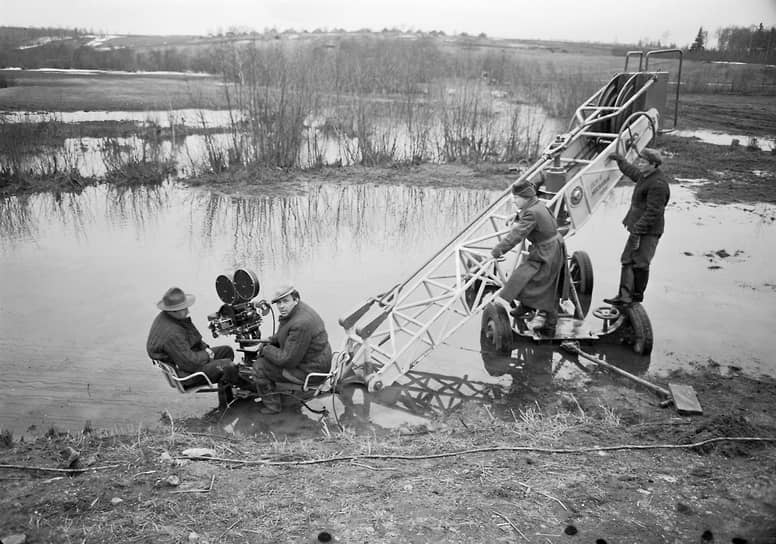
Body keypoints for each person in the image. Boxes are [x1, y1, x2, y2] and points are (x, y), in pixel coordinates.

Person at [491, 179, 565, 336]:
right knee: (529, 277)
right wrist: (517, 217)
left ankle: (550, 326)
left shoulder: (532, 212)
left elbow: (517, 235)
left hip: (547, 251)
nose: (514, 200)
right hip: (551, 246)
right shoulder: (537, 205)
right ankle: (527, 306)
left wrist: (498, 250)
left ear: (525, 198)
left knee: (542, 284)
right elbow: (530, 218)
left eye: (516, 198)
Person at [603, 147, 671, 307]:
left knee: (640, 263)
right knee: (627, 260)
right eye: (639, 160)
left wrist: (638, 230)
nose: (639, 163)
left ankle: (635, 298)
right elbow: (632, 171)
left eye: (643, 161)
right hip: (638, 229)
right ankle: (623, 296)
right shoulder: (645, 175)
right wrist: (620, 161)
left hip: (648, 232)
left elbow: (653, 212)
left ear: (654, 164)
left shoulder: (658, 185)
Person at [252, 283, 333, 414]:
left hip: (310, 372)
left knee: (260, 366)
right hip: (316, 361)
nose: (281, 306)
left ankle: (273, 406)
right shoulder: (297, 311)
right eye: (278, 303)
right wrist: (271, 340)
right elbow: (285, 334)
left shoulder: (301, 323)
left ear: (296, 299)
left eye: (285, 301)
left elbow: (287, 360)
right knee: (269, 353)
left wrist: (266, 349)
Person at [147, 286, 242, 391]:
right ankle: (237, 395)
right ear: (173, 310)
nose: (187, 311)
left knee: (226, 351)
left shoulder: (170, 317)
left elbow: (194, 337)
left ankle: (228, 390)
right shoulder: (172, 333)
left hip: (185, 358)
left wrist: (206, 348)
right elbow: (190, 363)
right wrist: (207, 354)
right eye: (184, 309)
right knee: (228, 366)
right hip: (185, 374)